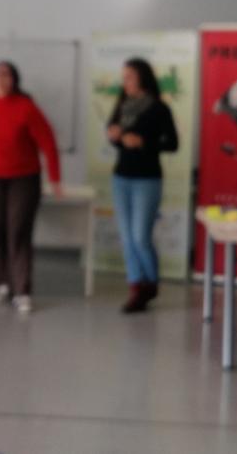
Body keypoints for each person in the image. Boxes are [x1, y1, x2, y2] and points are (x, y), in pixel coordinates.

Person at [0, 61, 61, 315]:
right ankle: (3, 283)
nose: (1, 79)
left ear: (14, 80)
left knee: (18, 232)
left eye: (6, 75)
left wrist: (55, 178)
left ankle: (22, 290)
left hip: (24, 179)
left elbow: (48, 142)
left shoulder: (26, 107)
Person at [107, 57, 178, 314]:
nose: (124, 81)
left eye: (129, 77)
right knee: (127, 237)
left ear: (142, 78)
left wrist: (143, 143)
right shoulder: (121, 105)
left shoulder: (159, 108)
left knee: (140, 236)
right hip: (121, 177)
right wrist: (115, 137)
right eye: (123, 77)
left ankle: (150, 282)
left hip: (147, 179)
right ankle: (136, 287)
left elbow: (172, 143)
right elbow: (115, 136)